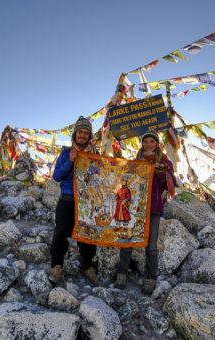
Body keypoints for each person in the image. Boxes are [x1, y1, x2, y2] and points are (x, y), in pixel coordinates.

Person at [114, 130, 176, 294]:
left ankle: (151, 278)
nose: (148, 144)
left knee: (151, 245)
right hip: (134, 208)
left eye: (152, 141)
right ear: (142, 144)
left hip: (153, 208)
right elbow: (123, 179)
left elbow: (170, 184)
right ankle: (121, 273)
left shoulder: (164, 162)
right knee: (128, 240)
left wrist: (160, 171)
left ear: (157, 144)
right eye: (145, 141)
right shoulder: (135, 162)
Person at [49, 116, 100, 286]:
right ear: (75, 133)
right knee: (61, 232)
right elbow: (56, 176)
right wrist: (70, 162)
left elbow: (101, 177)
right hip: (67, 199)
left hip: (86, 201)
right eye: (80, 132)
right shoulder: (65, 153)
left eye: (86, 133)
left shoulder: (95, 154)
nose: (83, 135)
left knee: (86, 234)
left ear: (89, 136)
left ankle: (88, 266)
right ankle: (57, 265)